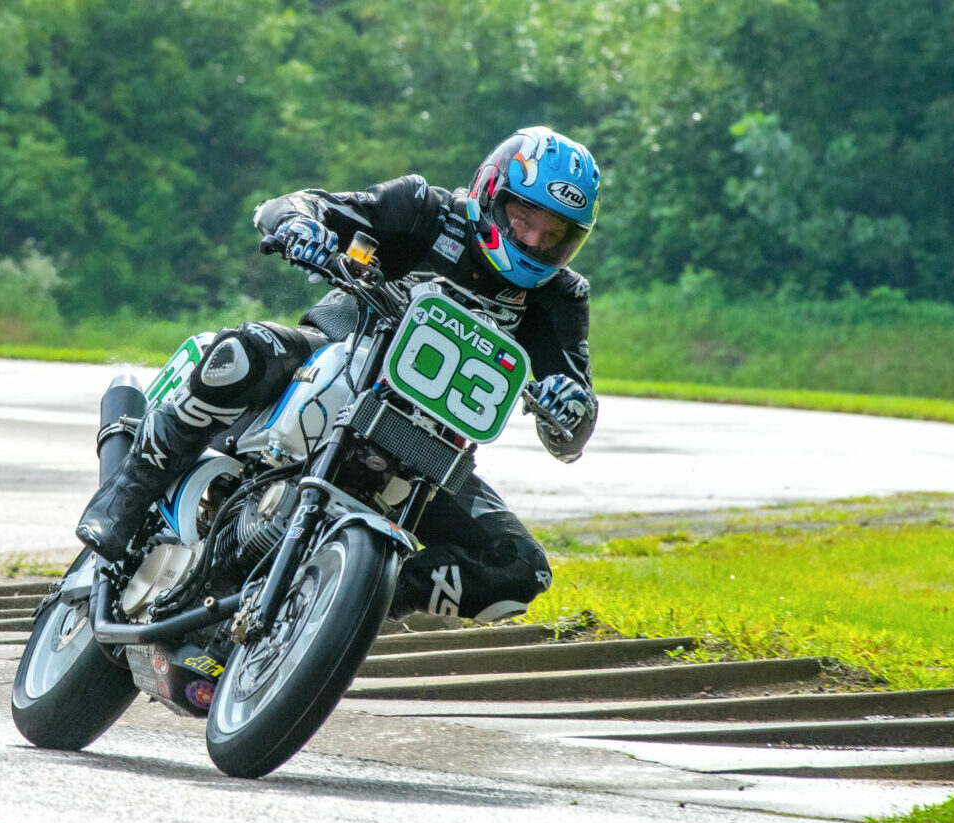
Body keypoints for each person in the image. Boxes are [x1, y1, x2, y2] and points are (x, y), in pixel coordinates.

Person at [76, 126, 601, 623]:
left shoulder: (560, 296)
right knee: (242, 351)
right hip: (332, 364)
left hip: (426, 454)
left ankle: (348, 602)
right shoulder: (426, 209)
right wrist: (301, 226)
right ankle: (128, 493)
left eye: (554, 236)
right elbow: (302, 204)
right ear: (492, 190)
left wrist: (569, 407)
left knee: (520, 570)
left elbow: (576, 416)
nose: (533, 241)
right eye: (524, 217)